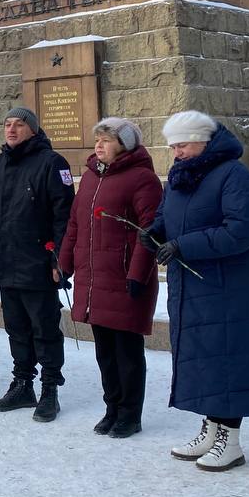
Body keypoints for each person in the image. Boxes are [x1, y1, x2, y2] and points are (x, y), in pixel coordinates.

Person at [145, 110, 249, 472]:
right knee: (203, 358)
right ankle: (211, 426)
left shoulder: (234, 175)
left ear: (203, 141)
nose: (176, 153)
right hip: (190, 286)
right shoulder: (181, 176)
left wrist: (184, 245)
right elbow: (167, 216)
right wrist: (153, 234)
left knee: (228, 359)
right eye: (172, 147)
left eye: (181, 145)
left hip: (227, 287)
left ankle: (230, 440)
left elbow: (239, 232)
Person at [58, 117, 162, 438]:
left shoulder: (142, 179)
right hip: (94, 281)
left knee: (127, 353)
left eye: (106, 140)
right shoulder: (90, 178)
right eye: (97, 140)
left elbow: (150, 231)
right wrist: (65, 265)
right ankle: (112, 407)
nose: (99, 146)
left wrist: (138, 275)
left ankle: (131, 414)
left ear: (125, 145)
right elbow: (75, 224)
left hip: (125, 279)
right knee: (104, 351)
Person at [0, 106, 75, 422]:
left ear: (33, 130)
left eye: (19, 124)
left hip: (39, 263)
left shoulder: (52, 164)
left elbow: (65, 216)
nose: (11, 129)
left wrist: (61, 259)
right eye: (7, 124)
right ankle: (23, 384)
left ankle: (50, 388)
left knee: (45, 329)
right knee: (17, 329)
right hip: (7, 262)